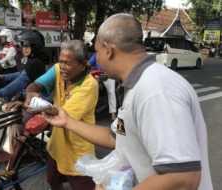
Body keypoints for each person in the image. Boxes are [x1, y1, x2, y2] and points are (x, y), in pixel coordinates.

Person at [42, 13, 213, 190]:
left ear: (108, 50)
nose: (96, 60)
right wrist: (67, 121)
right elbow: (115, 137)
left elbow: (182, 177)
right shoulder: (136, 86)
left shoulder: (157, 90)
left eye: (97, 51)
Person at [24, 40, 98, 190]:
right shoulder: (58, 69)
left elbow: (60, 115)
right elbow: (35, 85)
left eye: (67, 63)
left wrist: (36, 107)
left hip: (78, 149)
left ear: (83, 64)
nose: (62, 67)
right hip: (57, 144)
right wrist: (30, 94)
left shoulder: (89, 85)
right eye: (60, 62)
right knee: (52, 180)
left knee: (83, 186)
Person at [0, 30, 47, 101]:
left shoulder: (35, 62)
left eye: (26, 45)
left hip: (37, 97)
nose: (23, 48)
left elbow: (21, 81)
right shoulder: (32, 59)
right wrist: (4, 77)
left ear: (35, 46)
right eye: (22, 45)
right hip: (31, 93)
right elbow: (22, 73)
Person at [89, 53, 117, 120]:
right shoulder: (96, 54)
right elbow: (88, 64)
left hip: (108, 74)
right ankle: (90, 112)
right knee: (91, 91)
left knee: (111, 92)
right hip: (98, 75)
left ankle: (113, 113)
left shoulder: (111, 54)